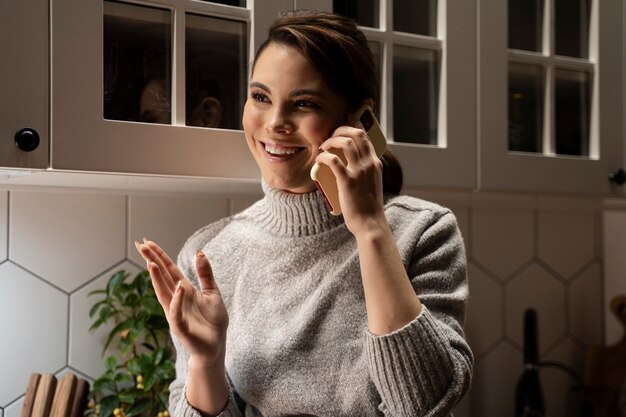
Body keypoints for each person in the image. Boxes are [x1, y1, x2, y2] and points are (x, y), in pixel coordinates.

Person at [136, 9, 472, 417]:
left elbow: (424, 402)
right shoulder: (209, 254)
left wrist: (369, 228)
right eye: (261, 97)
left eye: (304, 103)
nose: (275, 123)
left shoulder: (423, 232)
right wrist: (205, 361)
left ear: (356, 122)